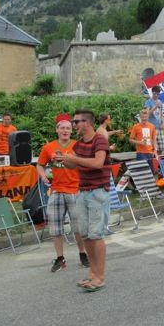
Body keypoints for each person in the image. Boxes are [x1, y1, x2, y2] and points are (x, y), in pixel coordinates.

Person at [53, 109, 110, 293]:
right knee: (85, 235)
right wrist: (62, 160)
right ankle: (93, 273)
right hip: (83, 191)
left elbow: (98, 163)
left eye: (76, 122)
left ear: (87, 123)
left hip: (98, 192)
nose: (73, 125)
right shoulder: (78, 144)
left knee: (96, 235)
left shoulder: (99, 140)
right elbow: (74, 165)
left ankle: (100, 277)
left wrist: (74, 158)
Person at [36, 113, 89, 273]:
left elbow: (86, 164)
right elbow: (39, 165)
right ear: (57, 130)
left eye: (68, 128)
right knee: (55, 228)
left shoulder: (78, 145)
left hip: (75, 190)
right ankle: (60, 259)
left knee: (78, 227)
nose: (65, 130)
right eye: (62, 128)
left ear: (71, 130)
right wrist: (43, 175)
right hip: (56, 191)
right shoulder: (49, 147)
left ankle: (83, 254)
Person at [144, 86, 164, 155]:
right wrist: (155, 107)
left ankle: (158, 160)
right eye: (155, 94)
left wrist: (163, 122)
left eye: (158, 94)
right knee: (152, 147)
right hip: (152, 127)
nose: (156, 95)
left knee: (161, 147)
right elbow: (147, 113)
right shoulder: (148, 102)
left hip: (159, 127)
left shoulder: (160, 102)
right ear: (152, 93)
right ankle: (153, 159)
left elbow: (161, 113)